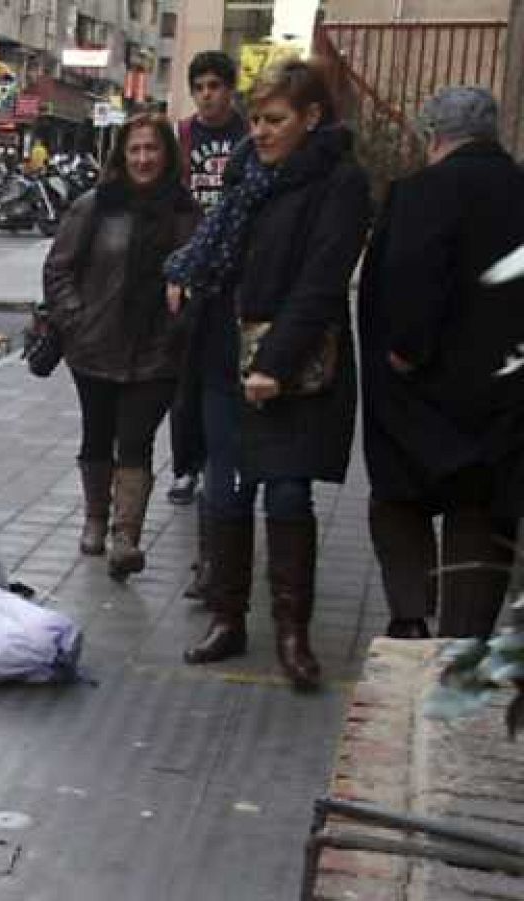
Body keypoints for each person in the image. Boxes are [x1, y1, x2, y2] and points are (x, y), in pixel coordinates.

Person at [166, 58, 371, 690]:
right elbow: (216, 250)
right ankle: (228, 620)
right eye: (255, 118)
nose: (260, 130)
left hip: (292, 367)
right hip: (225, 357)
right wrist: (185, 271)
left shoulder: (340, 183)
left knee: (286, 492)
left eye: (275, 119)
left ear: (312, 118)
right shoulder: (246, 174)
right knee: (225, 489)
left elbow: (320, 282)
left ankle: (292, 634)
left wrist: (274, 364)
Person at [359, 86, 524, 641]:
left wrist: (406, 350)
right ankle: (464, 634)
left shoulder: (423, 192)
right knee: (483, 506)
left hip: (423, 389)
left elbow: (412, 273)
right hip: (506, 392)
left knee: (399, 497)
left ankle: (412, 617)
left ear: (434, 135)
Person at [43, 114, 201, 579]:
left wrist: (186, 308)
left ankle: (125, 535)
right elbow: (59, 269)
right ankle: (95, 516)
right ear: (121, 155)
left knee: (136, 440)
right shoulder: (95, 206)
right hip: (96, 345)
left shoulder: (184, 212)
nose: (143, 158)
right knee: (97, 434)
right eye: (134, 150)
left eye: (152, 149)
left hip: (157, 349)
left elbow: (202, 273)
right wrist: (75, 320)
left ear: (167, 155)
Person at [170, 51, 249, 510]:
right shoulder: (182, 135)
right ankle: (186, 465)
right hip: (187, 270)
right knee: (185, 381)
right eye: (199, 86)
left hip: (232, 272)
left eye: (215, 85)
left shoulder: (247, 135)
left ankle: (223, 464)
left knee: (225, 378)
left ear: (230, 89)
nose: (206, 95)